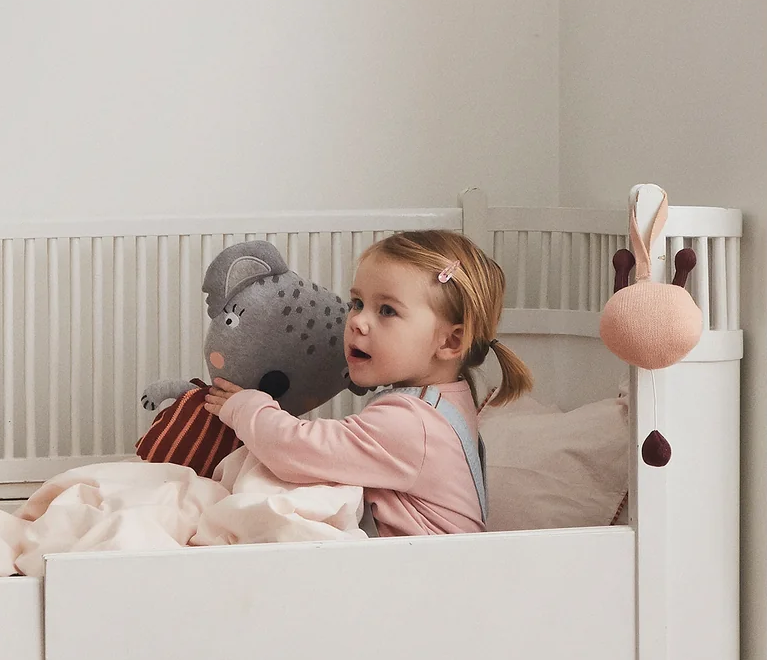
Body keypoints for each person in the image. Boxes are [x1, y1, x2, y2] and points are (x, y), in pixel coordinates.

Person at [204, 230, 532, 536]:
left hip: (424, 572)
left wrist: (245, 406)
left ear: (450, 342)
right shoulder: (446, 400)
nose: (358, 321)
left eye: (387, 310)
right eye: (357, 304)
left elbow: (294, 449)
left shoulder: (412, 423)